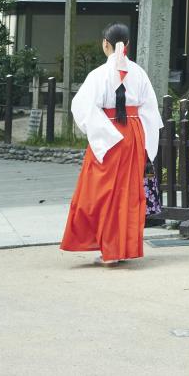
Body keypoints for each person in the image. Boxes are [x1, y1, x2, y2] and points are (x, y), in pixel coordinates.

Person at [60, 24, 163, 265]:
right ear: (127, 45)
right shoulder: (139, 73)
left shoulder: (98, 75)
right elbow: (149, 109)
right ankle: (123, 248)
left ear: (105, 44)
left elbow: (82, 107)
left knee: (99, 191)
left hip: (108, 133)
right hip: (134, 133)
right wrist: (147, 141)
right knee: (128, 193)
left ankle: (109, 250)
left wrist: (104, 136)